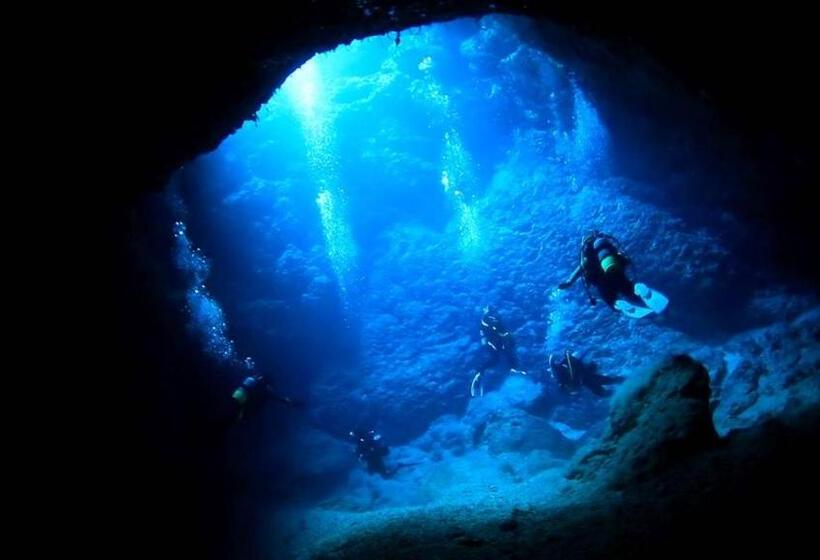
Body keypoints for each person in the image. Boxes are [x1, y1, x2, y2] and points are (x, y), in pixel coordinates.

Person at [558, 231, 668, 319]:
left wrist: (569, 282)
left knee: (611, 299)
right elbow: (625, 259)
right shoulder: (606, 249)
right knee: (630, 291)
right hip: (616, 274)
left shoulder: (586, 258)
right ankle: (640, 289)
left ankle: (619, 303)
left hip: (601, 282)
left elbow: (580, 270)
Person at [470, 305, 526, 397]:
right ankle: (480, 372)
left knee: (500, 357)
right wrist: (505, 335)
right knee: (500, 356)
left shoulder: (487, 318)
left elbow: (496, 330)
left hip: (495, 342)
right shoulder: (488, 317)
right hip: (494, 342)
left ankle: (481, 372)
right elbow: (496, 328)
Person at [548, 350, 625, 397]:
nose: (572, 391)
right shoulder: (572, 384)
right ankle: (622, 390)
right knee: (602, 391)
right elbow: (580, 386)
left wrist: (552, 360)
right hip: (585, 376)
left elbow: (553, 365)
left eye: (570, 390)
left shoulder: (562, 377)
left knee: (606, 384)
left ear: (565, 387)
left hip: (585, 371)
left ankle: (625, 383)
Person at [231, 373, 300, 423]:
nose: (270, 388)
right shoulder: (262, 388)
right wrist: (285, 400)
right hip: (242, 399)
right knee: (236, 415)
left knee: (234, 411)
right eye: (269, 386)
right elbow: (272, 396)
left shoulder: (253, 382)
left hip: (236, 394)